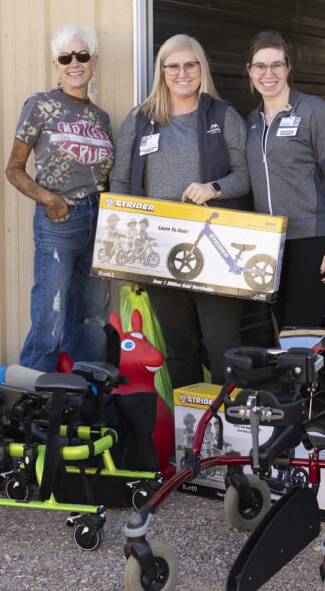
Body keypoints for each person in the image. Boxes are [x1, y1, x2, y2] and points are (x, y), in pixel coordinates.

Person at [110, 34, 250, 388]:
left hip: (214, 244)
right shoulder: (140, 120)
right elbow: (121, 183)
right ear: (162, 71)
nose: (182, 73)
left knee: (222, 347)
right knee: (178, 346)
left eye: (190, 65)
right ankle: (190, 438)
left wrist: (213, 188)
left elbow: (247, 175)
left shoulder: (223, 115)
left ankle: (226, 435)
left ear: (201, 68)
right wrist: (124, 253)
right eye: (173, 66)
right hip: (157, 248)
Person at [5, 24, 113, 372]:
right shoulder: (40, 105)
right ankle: (30, 408)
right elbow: (14, 169)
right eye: (66, 57)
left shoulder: (101, 118)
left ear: (93, 60)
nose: (74, 63)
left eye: (82, 55)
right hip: (59, 221)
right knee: (49, 319)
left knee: (93, 321)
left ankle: (84, 402)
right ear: (56, 64)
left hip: (99, 222)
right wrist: (49, 200)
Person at [244, 30, 325, 330]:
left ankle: (310, 378)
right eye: (260, 66)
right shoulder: (251, 122)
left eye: (277, 64)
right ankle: (305, 379)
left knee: (301, 333)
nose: (269, 73)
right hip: (268, 243)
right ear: (250, 71)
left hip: (311, 239)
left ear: (288, 67)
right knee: (282, 333)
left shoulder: (315, 112)